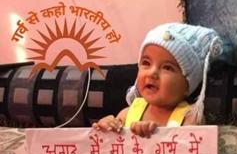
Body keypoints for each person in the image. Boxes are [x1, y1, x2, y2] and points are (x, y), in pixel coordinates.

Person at [93, 22, 223, 137]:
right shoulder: (127, 114)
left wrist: (156, 135)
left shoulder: (190, 118)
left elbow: (192, 153)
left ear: (187, 85)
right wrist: (106, 127)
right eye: (146, 63)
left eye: (167, 67)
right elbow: (110, 151)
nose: (152, 73)